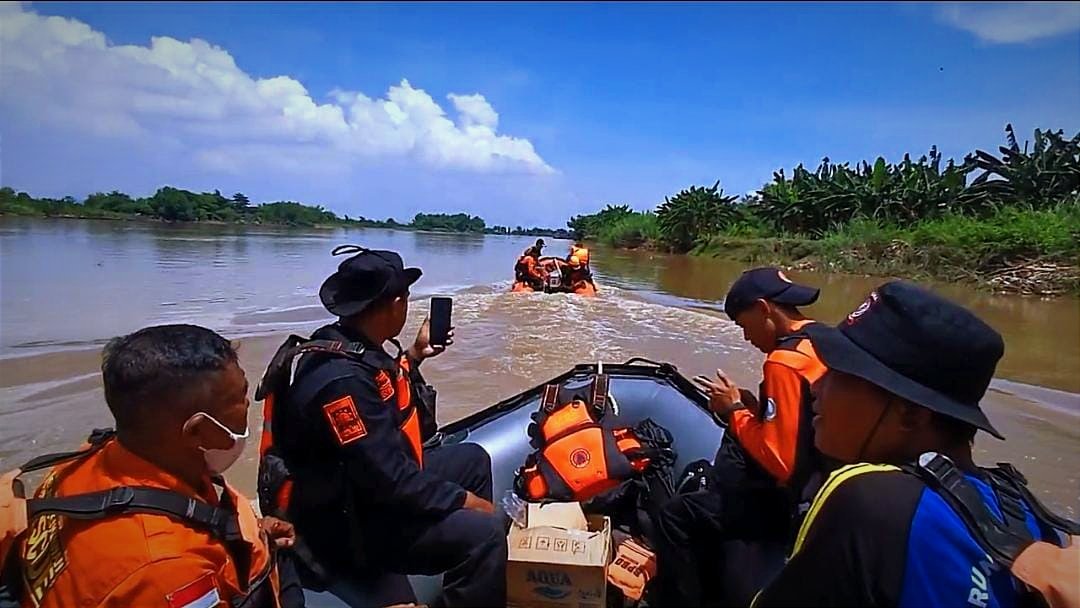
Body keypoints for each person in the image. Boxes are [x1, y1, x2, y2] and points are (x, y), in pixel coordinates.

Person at [753, 281, 1077, 608]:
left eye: (838, 373)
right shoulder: (1019, 504)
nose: (816, 387)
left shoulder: (870, 497)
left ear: (910, 415)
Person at [270, 246, 506, 607]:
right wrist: (463, 501)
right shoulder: (341, 381)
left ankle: (464, 575)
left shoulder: (346, 345)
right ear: (396, 303)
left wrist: (413, 355)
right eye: (406, 299)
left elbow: (382, 405)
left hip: (362, 487)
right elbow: (389, 480)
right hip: (348, 523)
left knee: (472, 459)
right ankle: (467, 564)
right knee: (485, 532)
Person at [1, 324, 295, 608]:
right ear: (196, 432)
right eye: (240, 396)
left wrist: (253, 534)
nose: (247, 404)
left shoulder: (89, 461)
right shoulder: (168, 573)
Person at [651, 267, 827, 606]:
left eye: (745, 326)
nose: (747, 338)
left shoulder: (784, 363)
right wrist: (754, 406)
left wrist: (734, 411)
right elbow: (805, 417)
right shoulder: (821, 341)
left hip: (789, 501)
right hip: (822, 479)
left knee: (675, 515)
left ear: (764, 309)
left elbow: (781, 462)